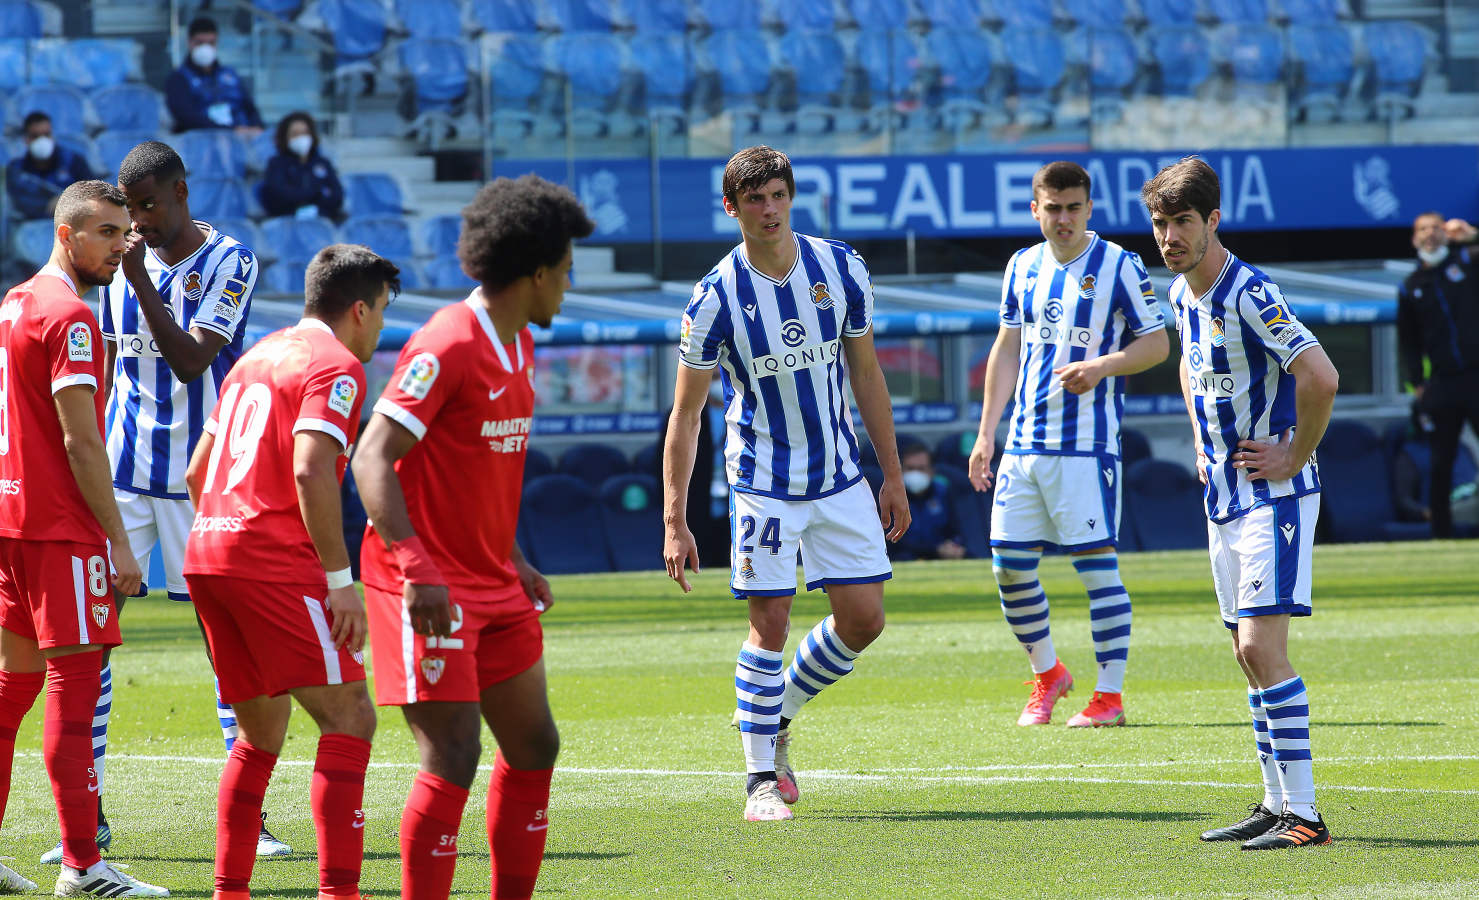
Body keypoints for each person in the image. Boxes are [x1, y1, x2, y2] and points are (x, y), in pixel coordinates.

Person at [44, 139, 287, 864]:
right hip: (122, 479)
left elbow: (190, 361)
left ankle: (252, 819)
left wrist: (143, 279)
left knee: (225, 648)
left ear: (181, 191)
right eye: (129, 213)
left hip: (202, 481)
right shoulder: (116, 264)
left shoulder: (230, 262)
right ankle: (88, 819)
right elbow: (113, 367)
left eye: (149, 208)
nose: (139, 225)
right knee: (88, 640)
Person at [352, 175, 594, 900]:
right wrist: (417, 567)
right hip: (423, 586)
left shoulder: (518, 345)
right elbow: (372, 457)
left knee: (535, 746)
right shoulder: (448, 344)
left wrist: (515, 559)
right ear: (538, 273)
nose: (569, 287)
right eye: (567, 272)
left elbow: (476, 470)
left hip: (492, 580)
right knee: (453, 754)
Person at [661, 145, 912, 823]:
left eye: (777, 196)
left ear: (790, 197)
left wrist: (890, 474)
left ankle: (778, 715)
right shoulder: (714, 297)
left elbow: (866, 375)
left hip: (838, 478)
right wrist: (673, 519)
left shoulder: (840, 266)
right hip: (762, 482)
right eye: (753, 200)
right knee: (769, 622)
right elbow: (685, 414)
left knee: (864, 619)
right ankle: (759, 781)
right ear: (731, 208)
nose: (768, 210)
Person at [183, 243, 395, 900]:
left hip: (208, 553)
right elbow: (309, 469)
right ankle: (339, 893)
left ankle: (231, 890)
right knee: (351, 717)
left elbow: (197, 471)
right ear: (358, 310)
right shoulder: (334, 365)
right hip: (270, 562)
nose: (382, 328)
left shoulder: (254, 356)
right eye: (382, 312)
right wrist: (340, 583)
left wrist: (229, 534)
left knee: (259, 732)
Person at [1143, 156, 1339, 850]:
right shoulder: (1178, 293)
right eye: (1160, 223)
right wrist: (1201, 442)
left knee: (1262, 645)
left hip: (1273, 495)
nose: (1169, 236)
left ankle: (1306, 816)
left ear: (1213, 221)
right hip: (1224, 496)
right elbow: (1192, 371)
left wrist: (1295, 454)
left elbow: (1320, 375)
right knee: (1244, 653)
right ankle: (1273, 802)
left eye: (1182, 222)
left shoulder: (1248, 292)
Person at [0, 180, 168, 897]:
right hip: (60, 530)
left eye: (123, 233)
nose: (118, 246)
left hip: (11, 523)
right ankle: (81, 863)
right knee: (73, 687)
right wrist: (118, 543)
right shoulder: (70, 317)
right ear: (66, 235)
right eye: (104, 233)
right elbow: (81, 441)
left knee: (11, 692)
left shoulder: (14, 301)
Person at [967, 160, 1168, 729]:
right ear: (1035, 209)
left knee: (1096, 570)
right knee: (1008, 567)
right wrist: (987, 434)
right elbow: (1006, 350)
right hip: (1024, 445)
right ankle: (1049, 674)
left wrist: (1103, 366)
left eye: (1073, 208)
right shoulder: (1021, 266)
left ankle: (1109, 697)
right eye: (1052, 208)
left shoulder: (1119, 265)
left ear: (1089, 208)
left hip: (1085, 447)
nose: (1063, 219)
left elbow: (1156, 345)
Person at [1397, 211, 1479, 539]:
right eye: (1423, 229)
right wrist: (1416, 383)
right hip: (1442, 383)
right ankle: (1441, 535)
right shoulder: (1411, 285)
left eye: (1435, 228)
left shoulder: (1468, 263)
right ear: (1415, 238)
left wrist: (1472, 235)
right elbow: (1407, 341)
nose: (1430, 234)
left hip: (1476, 375)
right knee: (1441, 461)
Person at [164, 16, 264, 136]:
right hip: (202, 142)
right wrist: (230, 131)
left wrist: (256, 127)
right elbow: (186, 116)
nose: (206, 48)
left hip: (241, 141)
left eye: (211, 43)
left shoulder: (230, 75)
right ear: (189, 42)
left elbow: (250, 108)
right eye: (200, 43)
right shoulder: (178, 78)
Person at [5, 111, 96, 221]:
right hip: (32, 227)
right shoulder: (16, 170)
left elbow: (92, 193)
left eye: (46, 135)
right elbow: (19, 203)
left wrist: (64, 201)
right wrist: (47, 206)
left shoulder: (73, 161)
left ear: (52, 136)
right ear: (26, 139)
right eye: (35, 136)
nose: (42, 141)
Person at [259, 111, 345, 221]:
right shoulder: (276, 164)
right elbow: (279, 196)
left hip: (322, 221)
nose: (301, 138)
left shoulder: (323, 163)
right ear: (285, 138)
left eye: (305, 133)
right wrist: (316, 193)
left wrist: (317, 208)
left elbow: (337, 196)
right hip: (288, 224)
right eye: (295, 134)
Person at [892, 443, 967, 561]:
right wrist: (934, 550)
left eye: (921, 469)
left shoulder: (943, 493)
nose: (915, 474)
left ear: (931, 471)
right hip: (903, 559)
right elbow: (892, 541)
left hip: (942, 559)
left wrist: (953, 546)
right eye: (910, 469)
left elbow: (957, 531)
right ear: (901, 470)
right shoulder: (891, 497)